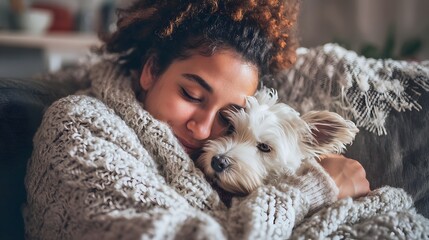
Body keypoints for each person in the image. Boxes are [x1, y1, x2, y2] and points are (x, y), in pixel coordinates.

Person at [23, 0, 370, 239]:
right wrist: (314, 188)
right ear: (151, 70)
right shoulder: (78, 127)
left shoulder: (208, 167)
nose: (203, 130)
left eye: (227, 118)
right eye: (191, 95)